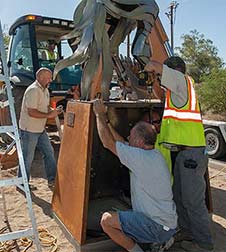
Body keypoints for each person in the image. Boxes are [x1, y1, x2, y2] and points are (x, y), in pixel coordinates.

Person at [144, 57, 213, 252]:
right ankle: (187, 231)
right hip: (183, 154)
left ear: (173, 72)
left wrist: (149, 64)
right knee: (179, 197)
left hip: (192, 154)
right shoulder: (177, 92)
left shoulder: (182, 82)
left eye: (162, 75)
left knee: (193, 202)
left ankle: (204, 244)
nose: (160, 78)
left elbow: (155, 66)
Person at [93, 99, 177, 252]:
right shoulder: (151, 155)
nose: (128, 138)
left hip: (156, 227)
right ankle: (160, 242)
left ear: (138, 141)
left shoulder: (140, 158)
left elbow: (107, 143)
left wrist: (98, 114)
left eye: (131, 136)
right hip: (167, 225)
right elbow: (121, 143)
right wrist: (107, 120)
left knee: (106, 220)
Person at [18, 67, 63, 189]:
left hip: (39, 129)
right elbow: (32, 112)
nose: (50, 80)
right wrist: (49, 115)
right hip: (29, 130)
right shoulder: (33, 90)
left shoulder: (45, 90)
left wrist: (53, 111)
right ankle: (22, 183)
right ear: (40, 78)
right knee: (28, 157)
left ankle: (52, 179)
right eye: (48, 78)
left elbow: (45, 106)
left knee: (49, 152)